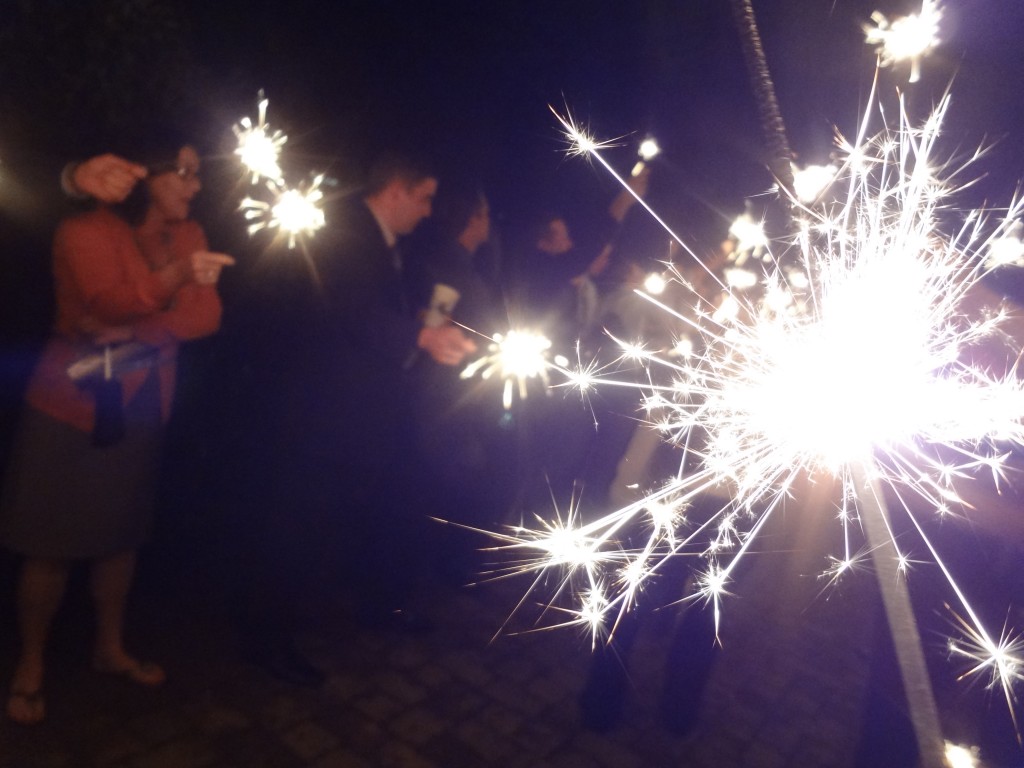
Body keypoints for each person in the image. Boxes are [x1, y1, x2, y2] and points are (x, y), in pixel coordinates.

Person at [0, 139, 233, 725]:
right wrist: (173, 282)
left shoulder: (190, 234)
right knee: (48, 544)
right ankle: (30, 663)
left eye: (196, 174)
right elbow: (107, 302)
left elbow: (207, 316)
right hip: (68, 405)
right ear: (145, 175)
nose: (194, 185)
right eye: (182, 172)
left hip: (142, 404)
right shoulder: (85, 231)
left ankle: (109, 648)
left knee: (119, 536)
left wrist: (144, 333)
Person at [232, 152, 475, 686]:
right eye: (425, 197)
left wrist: (419, 324)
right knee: (293, 528)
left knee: (347, 519)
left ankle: (364, 608)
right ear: (395, 190)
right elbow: (347, 310)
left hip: (355, 417)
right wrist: (421, 336)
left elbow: (367, 311)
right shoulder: (346, 235)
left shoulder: (387, 244)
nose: (430, 211)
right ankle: (264, 639)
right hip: (321, 416)